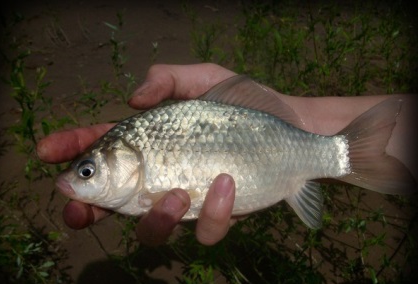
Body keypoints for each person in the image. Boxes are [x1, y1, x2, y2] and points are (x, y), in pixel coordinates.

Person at [37, 63, 417, 246]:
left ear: (126, 157)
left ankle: (346, 154)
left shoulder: (140, 168)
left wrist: (335, 148)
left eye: (87, 172)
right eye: (86, 173)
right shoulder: (137, 158)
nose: (77, 180)